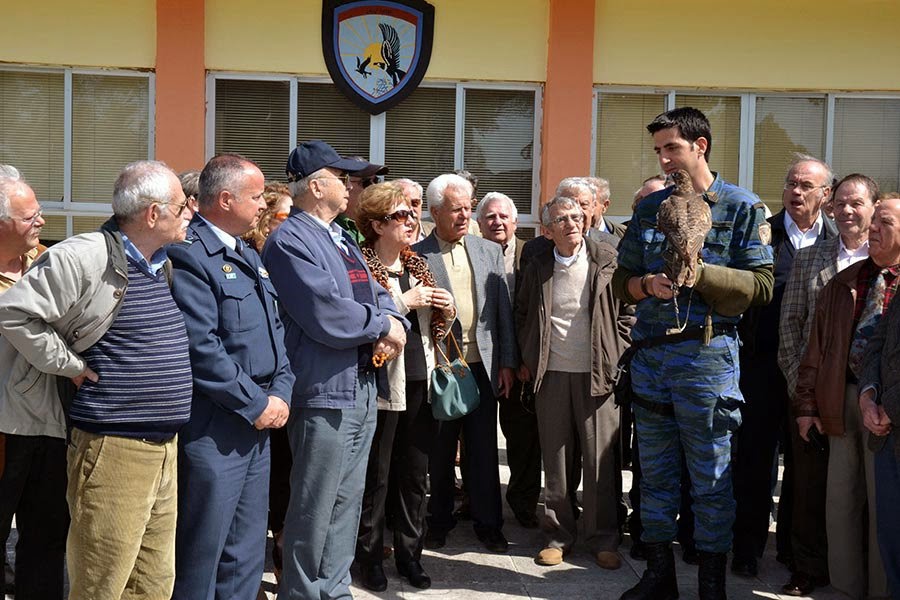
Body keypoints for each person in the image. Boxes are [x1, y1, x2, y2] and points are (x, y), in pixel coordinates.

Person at [0, 160, 193, 599]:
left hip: (163, 446)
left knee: (152, 582)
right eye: (182, 207)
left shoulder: (157, 262)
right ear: (152, 214)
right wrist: (69, 364)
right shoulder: (85, 255)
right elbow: (15, 313)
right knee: (102, 581)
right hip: (114, 448)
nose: (190, 214)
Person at [613, 107, 774, 600]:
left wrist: (699, 275)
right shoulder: (649, 208)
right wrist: (645, 284)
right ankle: (659, 575)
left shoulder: (741, 207)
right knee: (655, 474)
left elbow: (762, 287)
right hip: (652, 358)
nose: (663, 159)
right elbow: (621, 282)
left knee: (711, 479)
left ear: (700, 146)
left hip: (707, 359)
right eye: (659, 150)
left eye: (672, 148)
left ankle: (710, 583)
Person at [262, 140, 408, 600]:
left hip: (361, 385)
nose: (352, 186)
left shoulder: (342, 235)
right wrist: (382, 324)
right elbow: (325, 314)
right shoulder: (290, 240)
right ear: (317, 184)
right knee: (314, 503)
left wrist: (393, 319)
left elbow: (379, 291)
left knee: (346, 499)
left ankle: (334, 588)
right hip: (322, 389)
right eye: (343, 178)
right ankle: (303, 592)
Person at [168, 155, 294, 600]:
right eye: (257, 196)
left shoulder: (246, 252)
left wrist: (280, 391)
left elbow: (275, 334)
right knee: (204, 551)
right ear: (225, 199)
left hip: (258, 422)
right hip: (216, 427)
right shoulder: (189, 255)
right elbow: (200, 348)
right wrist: (257, 404)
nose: (264, 205)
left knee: (244, 551)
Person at [732, 154, 837, 578]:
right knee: (754, 461)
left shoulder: (838, 241)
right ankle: (746, 547)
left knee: (804, 464)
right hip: (761, 365)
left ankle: (795, 551)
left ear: (825, 194)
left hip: (813, 372)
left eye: (806, 186)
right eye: (791, 183)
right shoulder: (763, 235)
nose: (796, 191)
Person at [516, 195, 632, 570]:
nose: (572, 223)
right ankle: (556, 535)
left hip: (598, 373)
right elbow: (522, 313)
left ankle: (602, 538)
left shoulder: (608, 258)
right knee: (557, 459)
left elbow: (629, 310)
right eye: (562, 219)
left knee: (600, 459)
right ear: (547, 231)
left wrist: (617, 349)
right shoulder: (537, 264)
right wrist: (531, 356)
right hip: (551, 374)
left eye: (577, 216)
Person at [794, 196, 900, 600]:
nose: (871, 230)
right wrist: (806, 407)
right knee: (840, 502)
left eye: (883, 223)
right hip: (842, 399)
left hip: (890, 412)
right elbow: (815, 350)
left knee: (884, 510)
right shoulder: (847, 280)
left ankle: (882, 590)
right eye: (873, 223)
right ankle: (845, 588)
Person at [777, 172, 877, 596]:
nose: (848, 211)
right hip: (816, 392)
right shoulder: (809, 259)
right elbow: (789, 331)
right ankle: (809, 567)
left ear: (874, 207)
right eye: (841, 203)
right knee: (810, 487)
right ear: (830, 207)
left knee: (866, 488)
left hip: (871, 392)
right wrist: (803, 395)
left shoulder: (887, 260)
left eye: (857, 203)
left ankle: (869, 572)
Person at [354, 182, 456, 592]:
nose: (412, 221)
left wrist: (445, 310)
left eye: (413, 214)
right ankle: (371, 557)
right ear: (378, 225)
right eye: (402, 215)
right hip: (381, 385)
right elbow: (360, 321)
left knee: (415, 477)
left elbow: (436, 333)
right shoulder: (359, 265)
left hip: (421, 382)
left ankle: (410, 556)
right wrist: (404, 301)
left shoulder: (418, 264)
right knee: (377, 478)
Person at [414, 173, 517, 553]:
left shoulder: (487, 250)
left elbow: (502, 312)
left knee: (483, 450)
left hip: (482, 365)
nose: (465, 215)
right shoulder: (419, 253)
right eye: (456, 209)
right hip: (442, 367)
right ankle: (438, 520)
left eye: (468, 207)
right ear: (435, 211)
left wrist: (506, 363)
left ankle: (488, 523)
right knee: (440, 451)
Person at [0, 166, 64, 600]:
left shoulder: (47, 262)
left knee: (46, 539)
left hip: (53, 424)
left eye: (40, 213)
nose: (40, 222)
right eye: (30, 217)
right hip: (4, 427)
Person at [476, 191, 542, 529]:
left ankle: (523, 501)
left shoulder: (531, 256)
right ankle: (476, 501)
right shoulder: (471, 253)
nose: (497, 222)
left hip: (522, 364)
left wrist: (523, 359)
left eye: (503, 216)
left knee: (522, 437)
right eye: (490, 217)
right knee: (476, 436)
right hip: (482, 361)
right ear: (479, 223)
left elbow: (533, 315)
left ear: (516, 222)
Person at [857, 193, 900, 600]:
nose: (871, 230)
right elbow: (878, 346)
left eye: (883, 222)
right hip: (886, 435)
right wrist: (870, 397)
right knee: (892, 542)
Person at [338, 155, 389, 244]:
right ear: (345, 184)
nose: (373, 187)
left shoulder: (377, 225)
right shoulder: (328, 226)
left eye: (376, 181)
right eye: (366, 182)